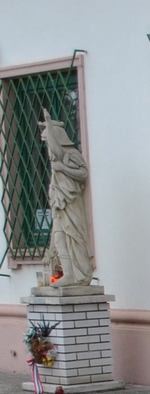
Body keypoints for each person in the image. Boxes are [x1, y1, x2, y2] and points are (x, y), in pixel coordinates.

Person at [39, 110, 95, 287]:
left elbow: (82, 173)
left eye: (48, 140)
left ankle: (79, 274)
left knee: (74, 237)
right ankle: (69, 274)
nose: (48, 145)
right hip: (59, 204)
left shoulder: (71, 155)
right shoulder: (56, 156)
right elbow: (54, 150)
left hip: (71, 204)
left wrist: (62, 167)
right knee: (58, 238)